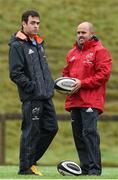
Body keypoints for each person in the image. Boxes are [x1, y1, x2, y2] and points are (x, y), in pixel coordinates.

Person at [8, 10, 58, 175]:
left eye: (38, 23)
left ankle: (30, 160)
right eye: (32, 23)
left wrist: (50, 85)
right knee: (31, 131)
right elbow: (15, 73)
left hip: (46, 95)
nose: (36, 26)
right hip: (32, 97)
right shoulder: (17, 45)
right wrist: (31, 87)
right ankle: (25, 168)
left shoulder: (38, 43)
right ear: (24, 23)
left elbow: (44, 70)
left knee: (52, 128)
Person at [62, 22, 112, 176]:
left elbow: (103, 75)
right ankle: (84, 169)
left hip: (91, 101)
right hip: (74, 101)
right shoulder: (72, 53)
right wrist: (65, 84)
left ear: (91, 33)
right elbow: (66, 74)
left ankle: (94, 169)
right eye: (78, 32)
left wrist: (82, 83)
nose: (80, 35)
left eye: (83, 32)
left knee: (89, 133)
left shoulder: (100, 52)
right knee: (78, 135)